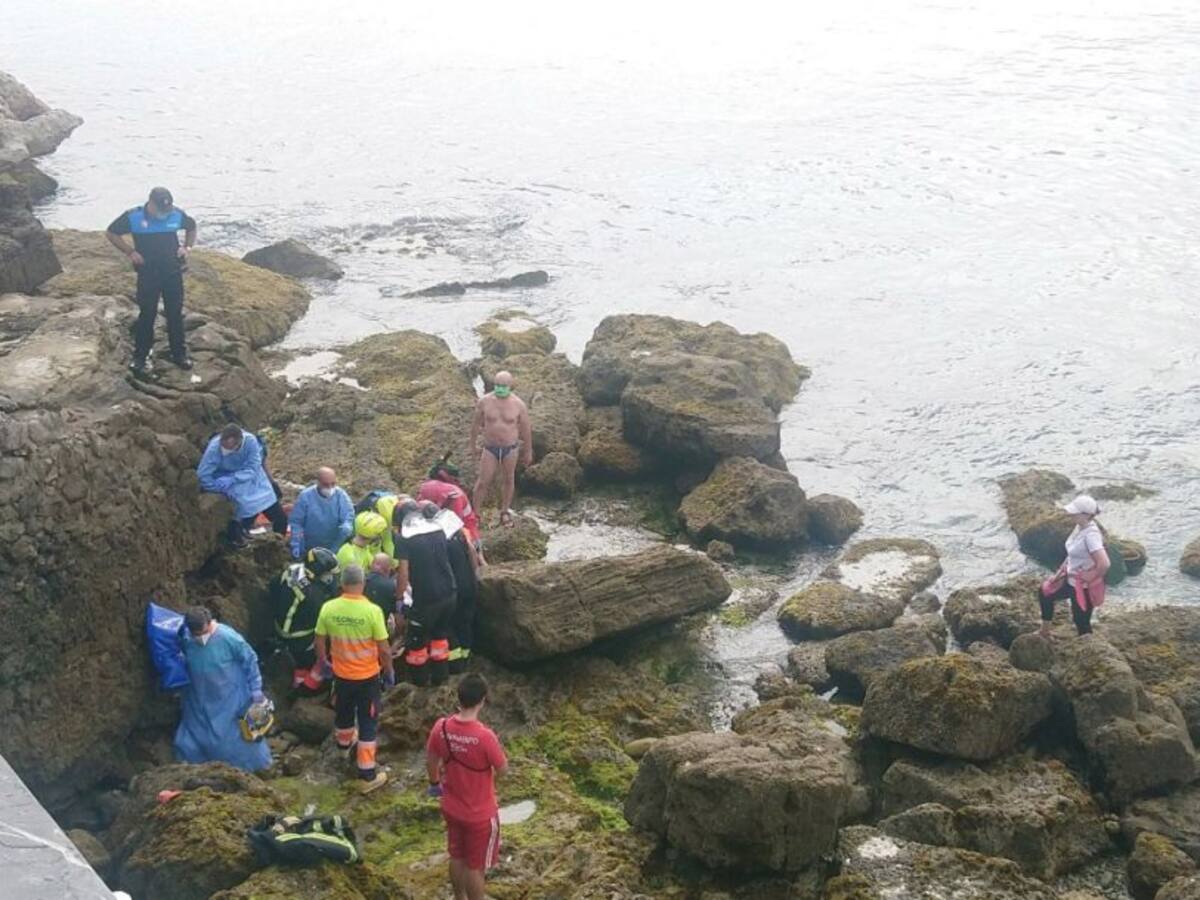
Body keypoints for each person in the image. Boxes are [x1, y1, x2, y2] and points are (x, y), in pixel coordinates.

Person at [426, 674, 508, 900]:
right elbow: (503, 769)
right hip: (480, 814)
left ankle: (458, 897)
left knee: (457, 856)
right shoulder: (485, 737)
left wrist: (434, 783)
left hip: (452, 807)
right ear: (482, 700)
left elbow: (431, 760)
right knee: (476, 866)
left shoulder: (441, 727)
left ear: (459, 698)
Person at [315, 564, 394, 793]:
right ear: (363, 583)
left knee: (344, 712)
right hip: (367, 677)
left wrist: (323, 661)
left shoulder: (329, 608)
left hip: (341, 675)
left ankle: (343, 746)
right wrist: (388, 671)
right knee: (368, 721)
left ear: (342, 584)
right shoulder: (372, 611)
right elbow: (384, 649)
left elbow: (319, 639)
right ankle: (367, 774)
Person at [105, 187, 197, 375]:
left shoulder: (176, 214)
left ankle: (179, 354)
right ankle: (141, 356)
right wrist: (130, 252)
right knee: (147, 313)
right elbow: (111, 232)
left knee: (175, 313)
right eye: (160, 210)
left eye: (167, 210)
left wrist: (187, 247)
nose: (164, 214)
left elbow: (192, 227)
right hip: (148, 273)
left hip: (172, 272)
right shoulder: (134, 216)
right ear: (151, 203)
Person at [174, 606, 272, 771]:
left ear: (209, 623)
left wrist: (256, 688)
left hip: (229, 697)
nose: (200, 638)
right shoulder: (186, 638)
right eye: (196, 634)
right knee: (191, 739)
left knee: (234, 739)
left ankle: (250, 769)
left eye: (203, 632)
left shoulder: (228, 637)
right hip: (198, 697)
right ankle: (198, 770)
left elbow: (250, 659)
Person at [394, 499, 457, 687]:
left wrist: (399, 599)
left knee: (417, 644)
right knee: (440, 637)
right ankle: (441, 680)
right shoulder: (437, 529)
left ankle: (419, 685)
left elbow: (403, 572)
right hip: (449, 592)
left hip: (426, 599)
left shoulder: (404, 538)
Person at [197, 425, 289, 547]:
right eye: (225, 447)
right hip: (228, 481)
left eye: (230, 448)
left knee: (279, 517)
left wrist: (236, 477)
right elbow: (203, 474)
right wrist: (215, 487)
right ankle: (239, 536)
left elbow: (253, 466)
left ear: (239, 442)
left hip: (253, 478)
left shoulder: (250, 441)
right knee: (244, 509)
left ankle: (279, 543)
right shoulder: (214, 448)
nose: (226, 451)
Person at [269, 547, 341, 690]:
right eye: (328, 574)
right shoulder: (314, 595)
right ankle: (304, 686)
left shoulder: (293, 570)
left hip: (278, 623)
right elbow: (324, 619)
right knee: (319, 649)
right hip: (297, 636)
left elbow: (274, 585)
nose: (330, 578)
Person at [1039, 494, 1111, 637]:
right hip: (1069, 578)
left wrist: (1090, 576)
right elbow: (1071, 554)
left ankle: (1089, 647)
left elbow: (1104, 563)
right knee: (1045, 592)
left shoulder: (1091, 535)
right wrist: (1058, 574)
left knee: (1081, 623)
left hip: (1083, 587)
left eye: (1075, 512)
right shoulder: (1079, 527)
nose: (1070, 514)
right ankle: (1044, 631)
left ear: (1086, 515)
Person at [470, 371, 533, 527]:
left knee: (508, 479)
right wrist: (472, 445)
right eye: (497, 385)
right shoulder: (484, 401)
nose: (500, 388)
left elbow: (526, 429)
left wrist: (528, 451)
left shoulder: (519, 405)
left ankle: (505, 512)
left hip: (510, 448)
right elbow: (475, 425)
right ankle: (475, 514)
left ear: (511, 385)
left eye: (504, 386)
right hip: (490, 448)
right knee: (483, 481)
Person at [437, 507, 480, 674]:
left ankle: (456, 663)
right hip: (469, 585)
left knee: (450, 625)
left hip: (455, 589)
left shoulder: (441, 541)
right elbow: (472, 553)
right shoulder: (461, 535)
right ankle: (466, 656)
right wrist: (475, 576)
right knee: (466, 622)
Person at [289, 467, 354, 559]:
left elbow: (348, 516)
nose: (330, 488)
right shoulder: (306, 497)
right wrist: (297, 545)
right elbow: (296, 523)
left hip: (332, 546)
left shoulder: (341, 496)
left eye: (333, 484)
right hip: (310, 546)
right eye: (326, 485)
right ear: (318, 482)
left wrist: (346, 528)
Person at [419, 455, 483, 549]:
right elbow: (456, 523)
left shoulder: (424, 488)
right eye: (455, 479)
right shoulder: (454, 492)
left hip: (438, 538)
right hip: (465, 537)